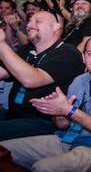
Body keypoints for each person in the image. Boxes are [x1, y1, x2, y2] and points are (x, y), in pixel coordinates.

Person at [0, 36, 91, 171]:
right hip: (65, 139)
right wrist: (58, 112)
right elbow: (62, 125)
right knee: (4, 150)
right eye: (90, 53)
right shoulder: (79, 80)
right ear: (84, 57)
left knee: (44, 167)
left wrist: (70, 111)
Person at [0, 11, 84, 140]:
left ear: (56, 27)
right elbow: (3, 72)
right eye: (29, 21)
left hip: (43, 122)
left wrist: (1, 44)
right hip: (13, 114)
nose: (29, 25)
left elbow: (31, 80)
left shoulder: (68, 53)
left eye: (37, 21)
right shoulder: (28, 49)